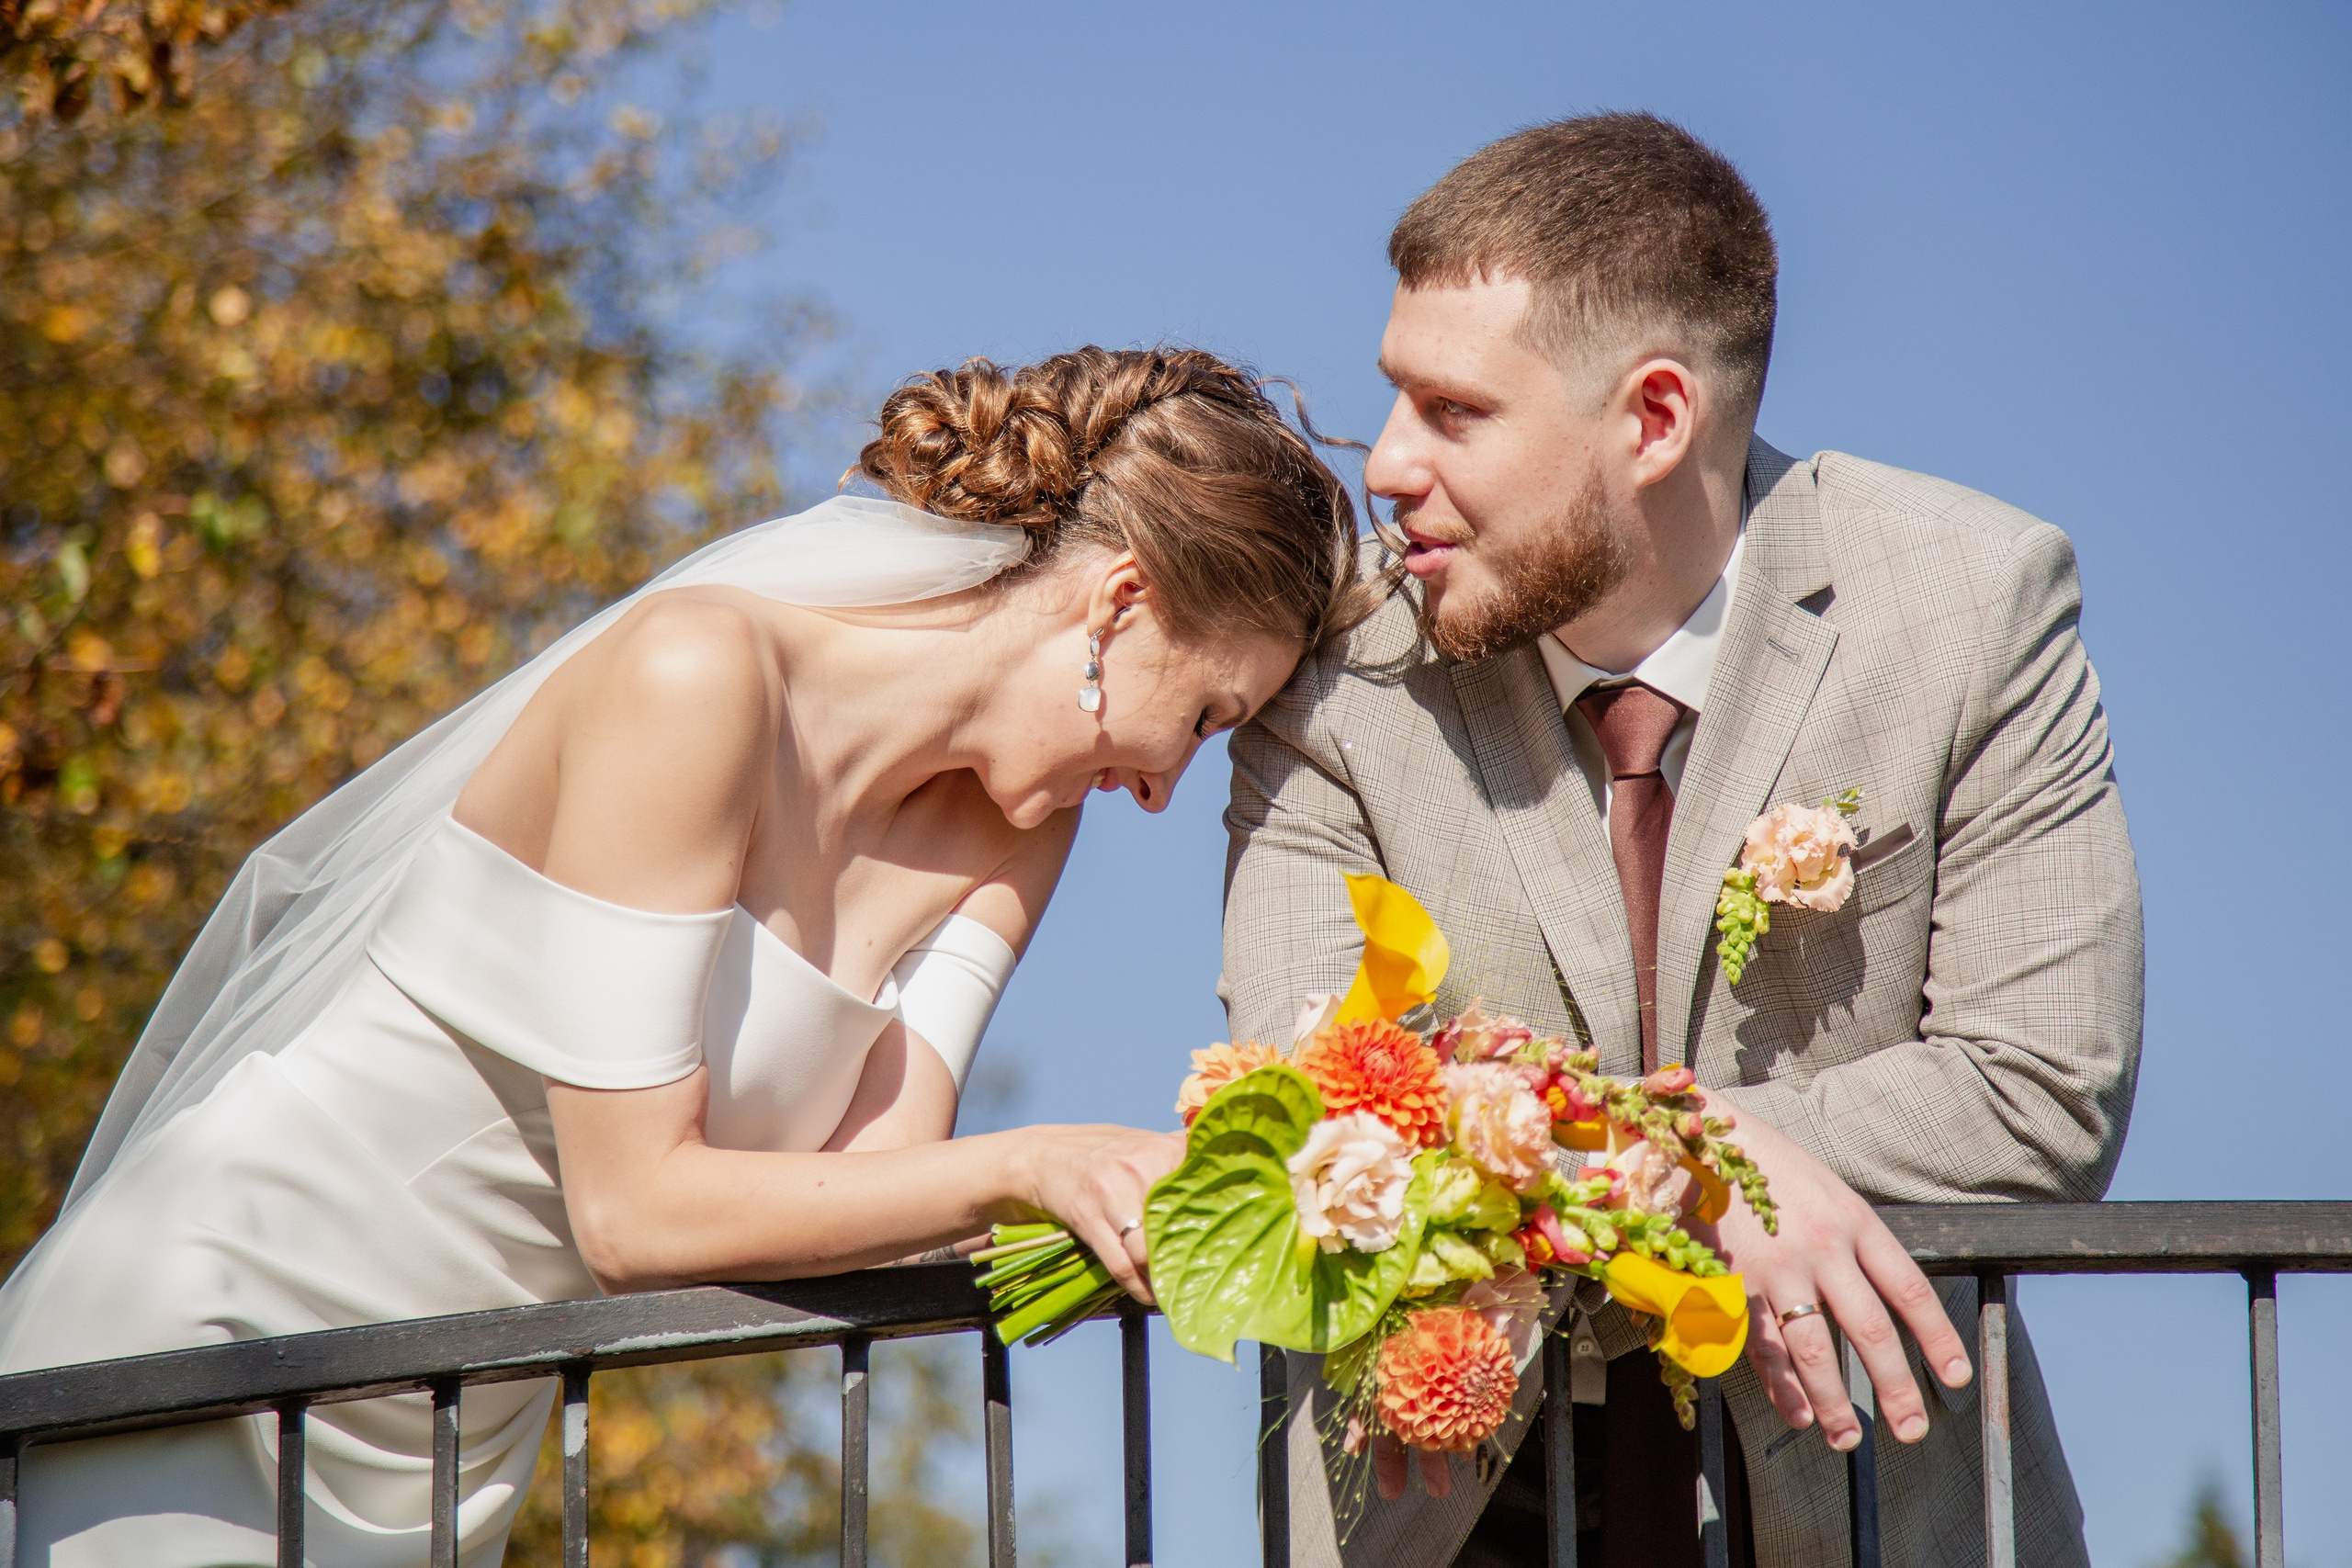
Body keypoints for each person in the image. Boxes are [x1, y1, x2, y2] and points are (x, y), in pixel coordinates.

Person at [0, 345, 1374, 1566]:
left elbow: (877, 1208)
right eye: (1203, 716)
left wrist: (1171, 1205)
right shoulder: (698, 680)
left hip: (449, 1423)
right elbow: (633, 1219)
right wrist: (1041, 1164)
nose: (1161, 789)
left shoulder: (1017, 826)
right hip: (220, 1335)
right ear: (1120, 605)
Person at [1221, 114, 2142, 1567]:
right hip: (1440, 1501)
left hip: (1865, 1497)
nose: (1385, 466)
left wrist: (1693, 1153)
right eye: (1395, 398)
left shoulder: (1974, 605)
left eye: (1453, 413)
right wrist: (1690, 1164)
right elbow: (1310, 1098)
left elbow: (2038, 1089)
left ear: (1654, 421)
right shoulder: (1334, 673)